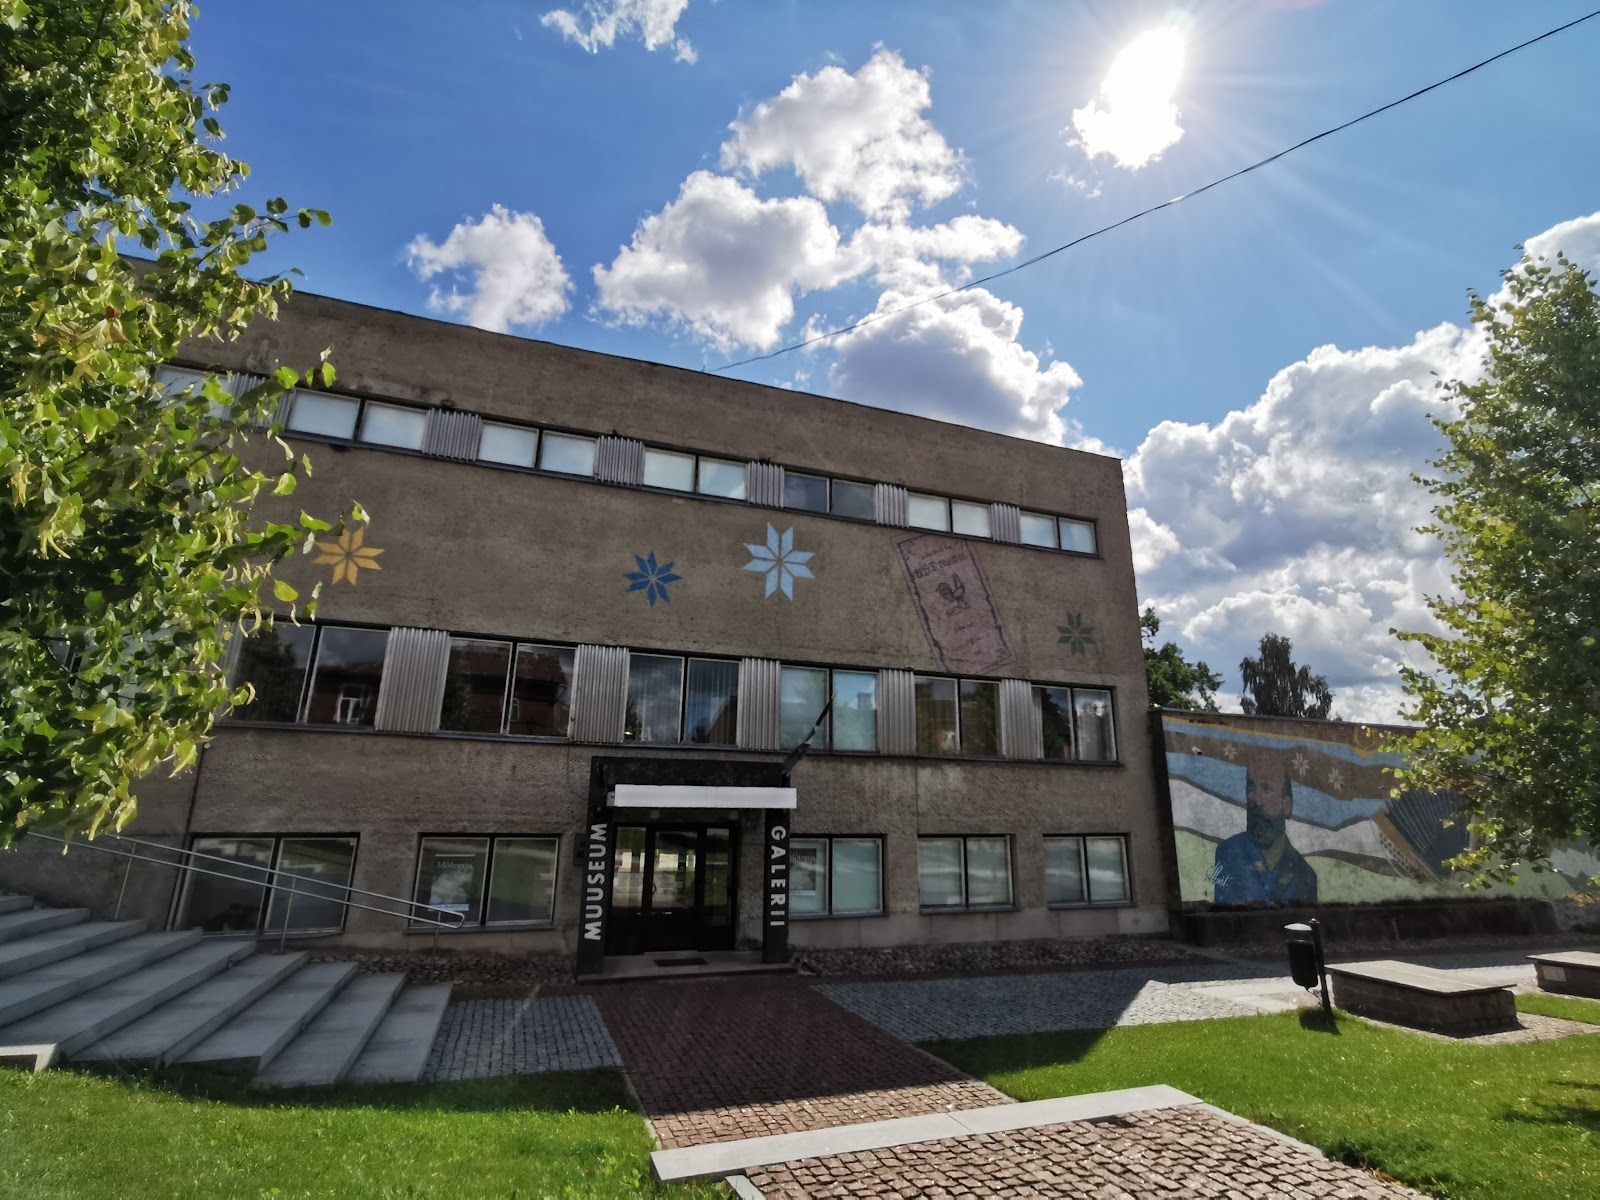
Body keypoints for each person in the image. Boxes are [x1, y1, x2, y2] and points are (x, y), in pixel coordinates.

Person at [1212, 746, 1318, 904]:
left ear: (1286, 805)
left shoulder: (1305, 875)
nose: (1256, 799)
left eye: (1266, 788)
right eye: (1251, 788)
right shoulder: (1228, 855)